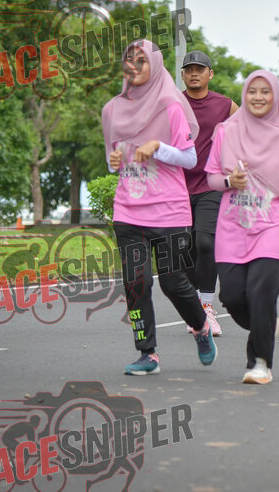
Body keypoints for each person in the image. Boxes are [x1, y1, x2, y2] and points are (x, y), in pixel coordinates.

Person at [103, 39, 216, 375]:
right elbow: (114, 159)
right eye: (129, 60)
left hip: (169, 211)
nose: (134, 66)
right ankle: (147, 354)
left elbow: (190, 158)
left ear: (154, 65)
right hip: (128, 210)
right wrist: (113, 162)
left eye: (142, 60)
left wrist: (157, 147)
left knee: (173, 283)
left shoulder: (171, 107)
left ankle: (201, 326)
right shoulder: (112, 110)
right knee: (136, 282)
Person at [205, 69, 279, 384]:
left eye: (265, 91)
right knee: (232, 297)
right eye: (252, 90)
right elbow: (212, 178)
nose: (258, 97)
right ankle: (266, 322)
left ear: (275, 96)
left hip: (275, 224)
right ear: (244, 94)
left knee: (261, 292)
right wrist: (230, 180)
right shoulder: (226, 131)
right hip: (233, 225)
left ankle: (260, 364)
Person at [180, 50, 238, 336]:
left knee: (206, 242)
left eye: (200, 69)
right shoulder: (173, 104)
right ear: (182, 75)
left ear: (210, 74)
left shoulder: (226, 105)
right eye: (189, 69)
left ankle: (206, 307)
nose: (194, 73)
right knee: (185, 248)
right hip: (177, 188)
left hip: (211, 185)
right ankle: (195, 309)